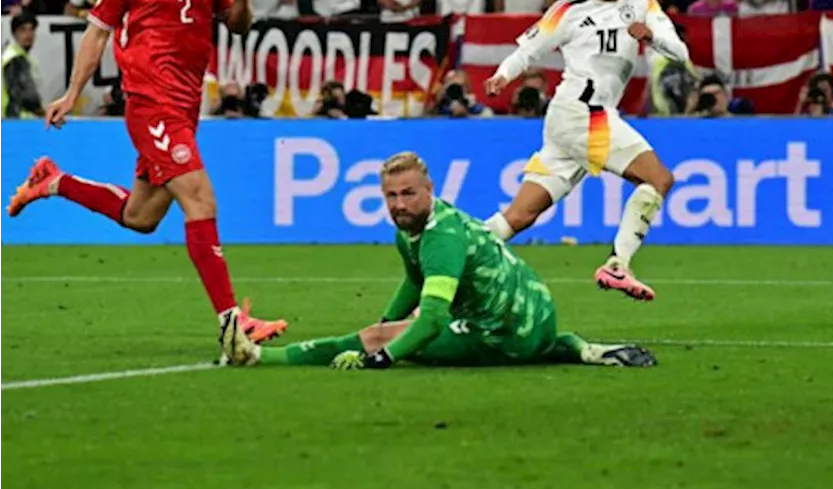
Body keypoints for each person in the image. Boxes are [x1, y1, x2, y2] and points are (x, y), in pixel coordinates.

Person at [7, 0, 287, 352]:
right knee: (201, 201)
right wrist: (72, 92)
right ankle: (231, 324)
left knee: (141, 216)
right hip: (150, 103)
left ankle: (53, 180)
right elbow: (96, 34)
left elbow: (237, 25)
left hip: (186, 106)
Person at [221, 152, 656, 370]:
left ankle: (257, 358)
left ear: (429, 188)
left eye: (408, 193)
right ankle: (574, 346)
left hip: (501, 334)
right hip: (539, 316)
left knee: (382, 338)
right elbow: (413, 284)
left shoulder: (440, 239)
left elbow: (430, 320)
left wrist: (380, 353)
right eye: (391, 195)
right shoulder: (417, 229)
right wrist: (384, 323)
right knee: (385, 330)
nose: (399, 203)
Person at [482, 0, 688, 302]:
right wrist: (502, 75)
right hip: (582, 114)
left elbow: (679, 51)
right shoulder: (567, 11)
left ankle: (457, 254)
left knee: (519, 216)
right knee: (658, 178)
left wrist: (651, 37)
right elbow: (528, 50)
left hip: (571, 123)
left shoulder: (641, 1)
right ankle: (618, 265)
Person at [0, 10, 41, 118]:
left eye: (31, 30)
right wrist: (43, 113)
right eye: (23, 30)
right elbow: (26, 96)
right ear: (14, 33)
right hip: (17, 119)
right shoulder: (16, 58)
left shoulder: (8, 54)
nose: (28, 35)